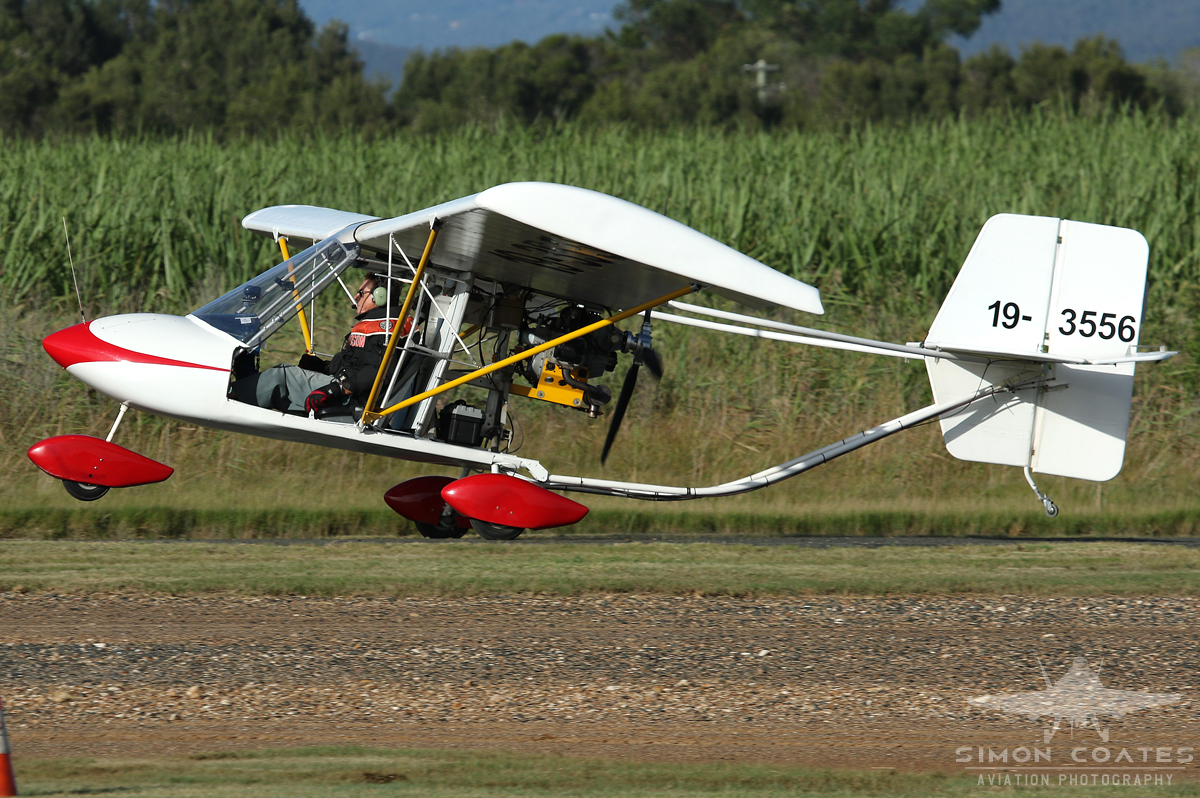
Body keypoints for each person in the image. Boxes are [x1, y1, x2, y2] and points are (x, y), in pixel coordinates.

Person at [232, 273, 412, 416]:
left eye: (362, 293)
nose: (356, 297)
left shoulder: (384, 330)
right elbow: (354, 367)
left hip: (353, 399)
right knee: (287, 371)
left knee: (283, 376)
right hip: (345, 390)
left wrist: (335, 390)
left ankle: (228, 394)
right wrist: (321, 366)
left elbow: (377, 371)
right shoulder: (376, 326)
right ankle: (242, 387)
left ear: (379, 297)